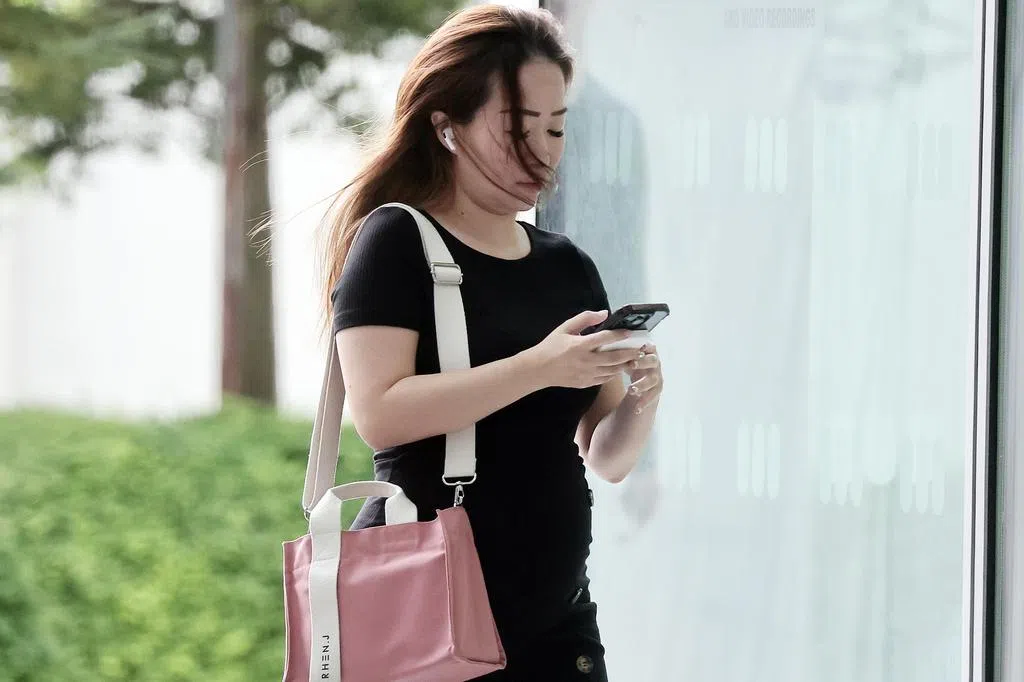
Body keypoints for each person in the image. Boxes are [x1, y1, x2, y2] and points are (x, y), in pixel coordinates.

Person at [319, 5, 664, 679]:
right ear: (446, 126)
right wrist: (539, 367)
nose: (542, 151)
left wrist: (642, 396)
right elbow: (380, 413)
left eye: (555, 127)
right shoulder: (397, 240)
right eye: (515, 128)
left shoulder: (568, 265)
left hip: (559, 624)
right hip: (427, 618)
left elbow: (607, 456)